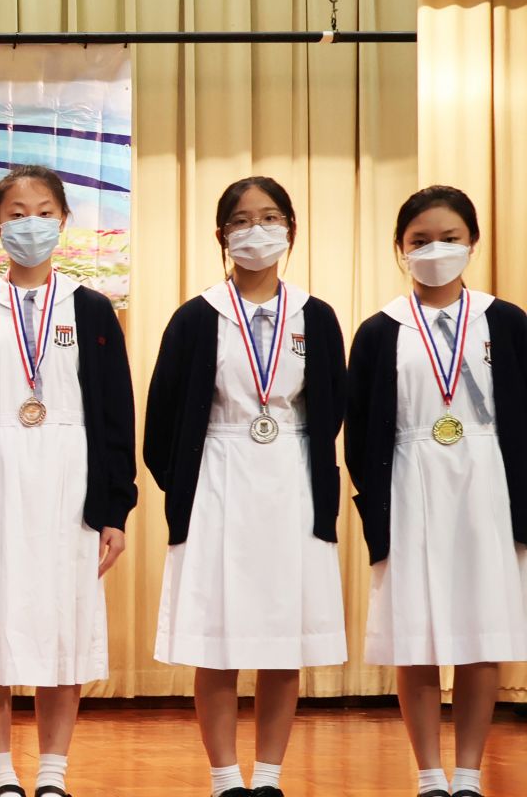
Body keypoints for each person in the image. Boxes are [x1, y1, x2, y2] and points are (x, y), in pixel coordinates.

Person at [144, 177, 347, 797]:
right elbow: (162, 421)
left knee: (284, 641)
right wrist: (190, 487)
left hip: (293, 480)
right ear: (221, 235)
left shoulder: (316, 316)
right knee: (219, 641)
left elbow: (333, 408)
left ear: (290, 229)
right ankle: (226, 777)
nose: (256, 230)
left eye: (270, 218)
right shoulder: (196, 317)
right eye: (241, 220)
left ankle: (269, 777)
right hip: (218, 482)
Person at [0, 167, 137, 797]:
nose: (31, 224)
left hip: (67, 487)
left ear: (63, 221)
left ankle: (52, 773)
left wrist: (114, 510)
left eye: (44, 211)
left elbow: (116, 414)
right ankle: (1, 774)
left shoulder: (92, 308)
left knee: (63, 627)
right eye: (17, 213)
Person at [346, 186, 527, 797]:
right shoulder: (380, 330)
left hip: (487, 486)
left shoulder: (505, 321)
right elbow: (359, 428)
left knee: (482, 633)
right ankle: (428, 774)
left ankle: (469, 773)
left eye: (449, 238)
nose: (435, 250)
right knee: (415, 635)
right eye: (419, 240)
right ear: (400, 248)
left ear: (473, 242)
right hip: (410, 483)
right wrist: (376, 501)